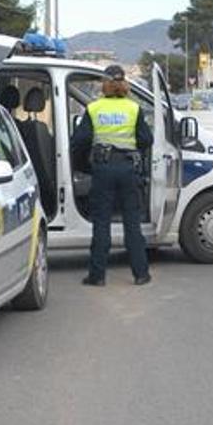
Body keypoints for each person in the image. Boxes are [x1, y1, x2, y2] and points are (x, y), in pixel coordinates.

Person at [71, 65, 152, 286]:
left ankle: (97, 276)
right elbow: (147, 140)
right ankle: (141, 274)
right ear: (124, 84)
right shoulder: (134, 109)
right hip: (128, 170)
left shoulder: (94, 108)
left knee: (102, 223)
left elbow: (80, 141)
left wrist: (83, 164)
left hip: (103, 169)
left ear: (104, 84)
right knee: (132, 223)